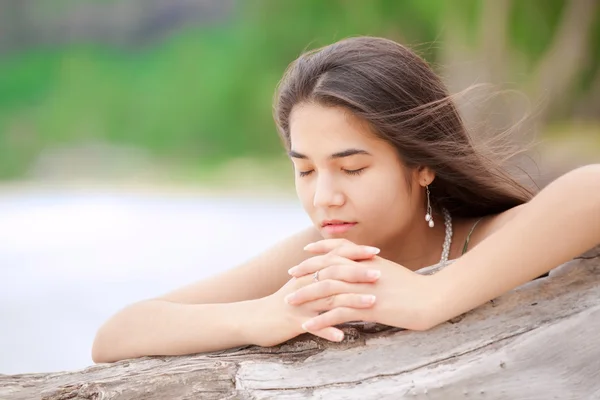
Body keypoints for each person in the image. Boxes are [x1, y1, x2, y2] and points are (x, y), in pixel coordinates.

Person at [91, 36, 600, 363]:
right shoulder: (315, 258)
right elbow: (117, 335)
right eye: (305, 170)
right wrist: (261, 317)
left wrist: (431, 297)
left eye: (352, 168)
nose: (324, 196)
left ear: (422, 165)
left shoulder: (487, 238)